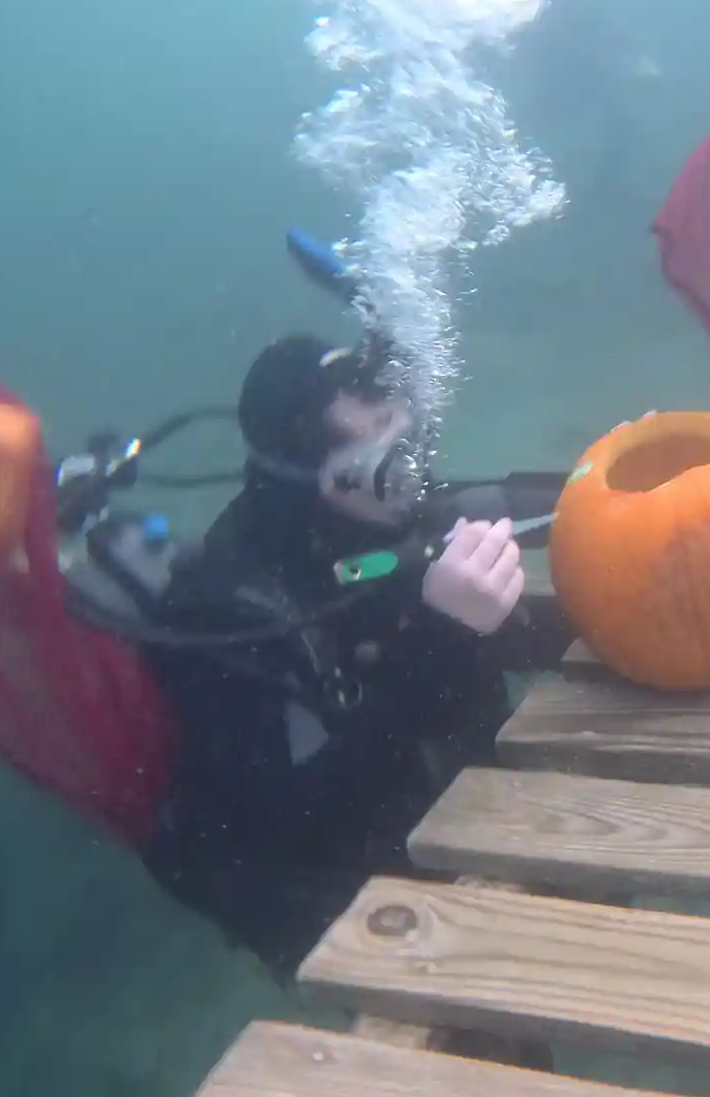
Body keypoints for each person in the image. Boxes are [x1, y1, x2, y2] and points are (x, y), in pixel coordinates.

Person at [129, 327, 569, 979]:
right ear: (310, 478)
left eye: (414, 443)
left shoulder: (377, 511)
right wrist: (446, 633)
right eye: (391, 464)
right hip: (330, 888)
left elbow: (493, 507)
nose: (415, 480)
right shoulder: (226, 613)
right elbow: (295, 814)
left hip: (446, 808)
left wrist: (610, 480)